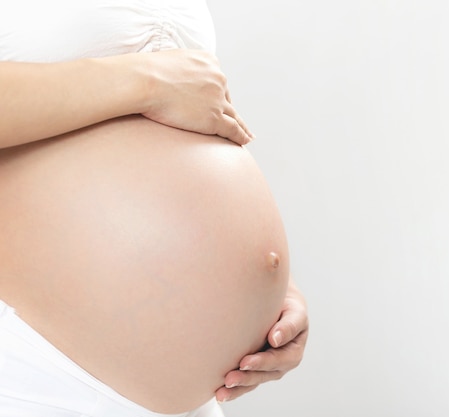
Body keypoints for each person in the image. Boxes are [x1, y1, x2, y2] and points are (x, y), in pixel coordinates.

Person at [0, 1, 309, 416]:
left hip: (196, 396)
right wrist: (147, 82)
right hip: (33, 365)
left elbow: (195, 110)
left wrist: (270, 292)